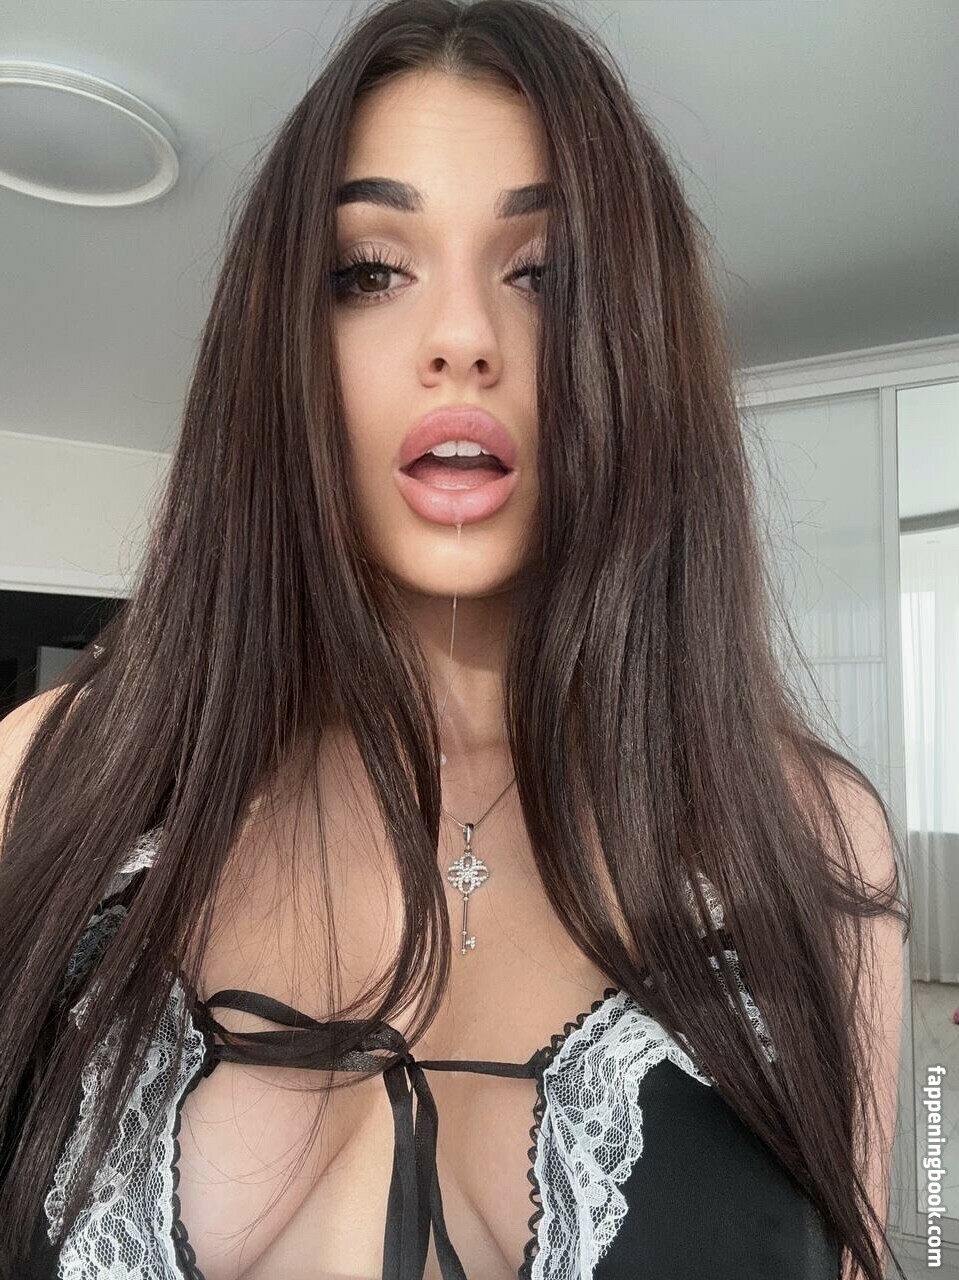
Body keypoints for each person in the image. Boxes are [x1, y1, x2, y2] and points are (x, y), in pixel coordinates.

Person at [0, 1, 909, 1277]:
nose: (463, 339)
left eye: (544, 274)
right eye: (369, 270)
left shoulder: (809, 838)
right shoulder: (38, 781)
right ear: (280, 342)